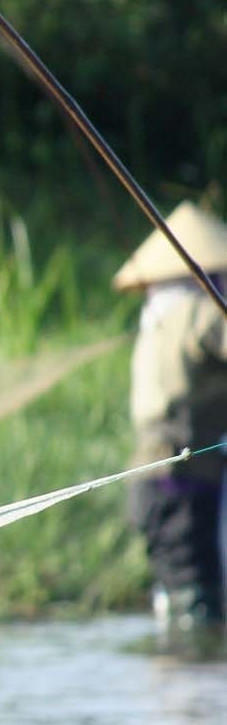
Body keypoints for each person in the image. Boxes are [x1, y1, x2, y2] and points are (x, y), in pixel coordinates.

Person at [116, 201, 227, 633]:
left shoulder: (157, 317)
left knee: (179, 599)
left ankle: (177, 694)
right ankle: (194, 696)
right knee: (195, 608)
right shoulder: (200, 312)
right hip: (181, 483)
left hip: (154, 485)